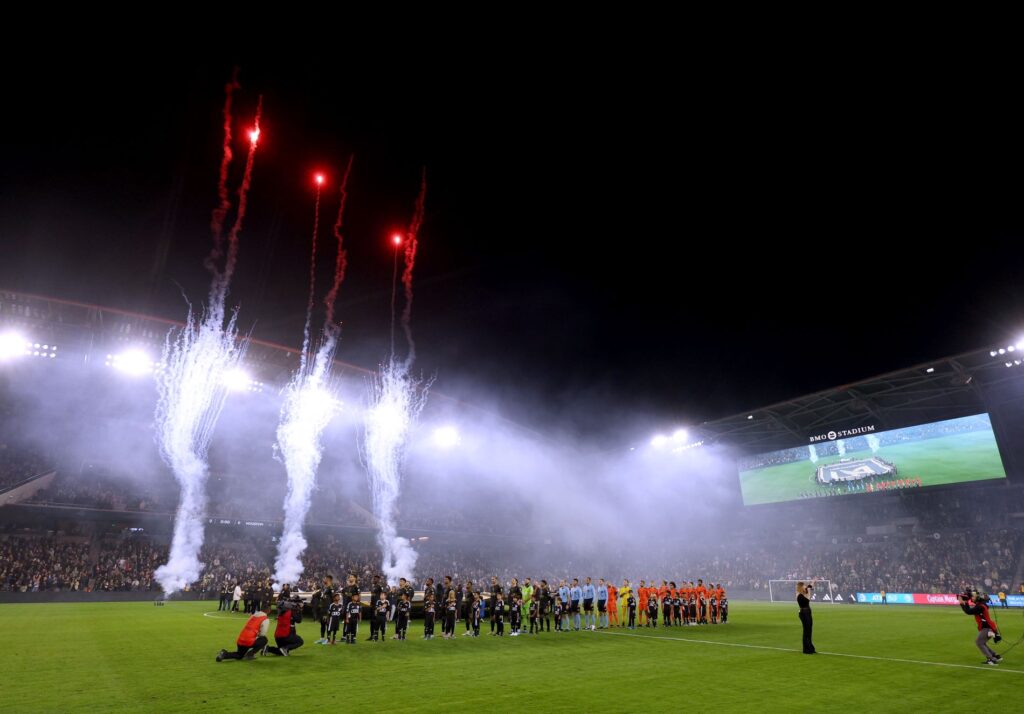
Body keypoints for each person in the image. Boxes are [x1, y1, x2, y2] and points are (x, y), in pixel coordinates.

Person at [960, 589, 1002, 665]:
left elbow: (968, 611)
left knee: (979, 642)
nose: (972, 598)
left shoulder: (980, 606)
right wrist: (968, 599)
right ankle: (995, 656)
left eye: (973, 597)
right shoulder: (982, 605)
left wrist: (963, 603)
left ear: (978, 598)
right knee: (982, 642)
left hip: (987, 627)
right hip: (989, 627)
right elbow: (972, 608)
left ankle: (991, 659)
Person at [796, 581, 815, 654]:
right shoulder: (799, 595)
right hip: (804, 613)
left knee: (809, 630)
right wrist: (809, 591)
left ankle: (810, 648)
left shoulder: (803, 592)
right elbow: (808, 599)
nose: (805, 586)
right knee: (806, 631)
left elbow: (809, 587)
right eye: (804, 585)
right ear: (801, 587)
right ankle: (806, 649)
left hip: (807, 612)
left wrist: (813, 582)